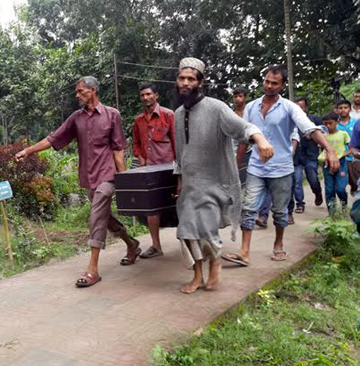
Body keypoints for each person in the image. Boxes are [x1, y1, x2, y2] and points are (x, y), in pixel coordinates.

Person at [15, 76, 140, 287]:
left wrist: (125, 180)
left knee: (95, 217)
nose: (77, 95)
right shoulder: (76, 118)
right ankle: (132, 243)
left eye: (81, 91)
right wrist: (28, 150)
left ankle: (93, 269)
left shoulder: (112, 115)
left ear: (93, 90)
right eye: (77, 92)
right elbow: (53, 139)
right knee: (104, 217)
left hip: (108, 175)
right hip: (89, 177)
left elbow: (118, 149)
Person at [172, 58, 273, 294]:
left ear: (201, 82)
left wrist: (261, 140)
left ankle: (215, 262)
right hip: (190, 186)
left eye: (190, 79)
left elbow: (242, 128)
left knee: (206, 229)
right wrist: (179, 178)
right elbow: (180, 152)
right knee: (186, 233)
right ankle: (197, 276)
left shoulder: (216, 108)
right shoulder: (177, 114)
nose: (185, 83)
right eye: (181, 78)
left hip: (214, 183)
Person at [224, 65, 339, 267]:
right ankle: (244, 252)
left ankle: (278, 244)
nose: (269, 86)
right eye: (267, 81)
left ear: (282, 85)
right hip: (256, 167)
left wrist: (329, 149)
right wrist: (236, 164)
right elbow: (244, 137)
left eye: (274, 83)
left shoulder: (289, 107)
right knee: (249, 207)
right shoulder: (251, 107)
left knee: (279, 211)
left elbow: (309, 129)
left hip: (282, 169)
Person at [131, 83, 175, 260]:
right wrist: (141, 159)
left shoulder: (168, 115)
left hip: (170, 169)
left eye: (148, 94)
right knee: (151, 209)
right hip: (149, 171)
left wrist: (181, 170)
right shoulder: (138, 120)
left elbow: (177, 142)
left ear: (156, 95)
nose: (145, 98)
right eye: (142, 95)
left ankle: (191, 246)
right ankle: (156, 246)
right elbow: (136, 144)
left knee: (180, 206)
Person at [293, 97, 324, 209]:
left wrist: (313, 134)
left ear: (305, 107)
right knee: (297, 180)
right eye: (297, 107)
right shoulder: (291, 121)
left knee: (312, 177)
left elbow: (323, 130)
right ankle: (300, 204)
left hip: (311, 154)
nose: (300, 109)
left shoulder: (314, 119)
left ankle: (317, 192)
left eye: (302, 107)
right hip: (295, 156)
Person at [319, 112, 351, 213]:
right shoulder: (323, 136)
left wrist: (343, 155)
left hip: (341, 163)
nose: (328, 126)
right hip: (327, 164)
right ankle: (332, 214)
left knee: (340, 188)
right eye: (326, 123)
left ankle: (344, 207)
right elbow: (322, 150)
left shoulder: (343, 134)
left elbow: (351, 148)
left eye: (330, 123)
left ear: (337, 122)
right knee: (329, 190)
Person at [336, 100, 359, 195]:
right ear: (337, 110)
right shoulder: (334, 125)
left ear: (350, 109)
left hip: (354, 158)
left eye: (345, 108)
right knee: (341, 185)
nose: (343, 110)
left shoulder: (356, 123)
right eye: (340, 108)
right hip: (340, 158)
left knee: (355, 181)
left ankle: (354, 189)